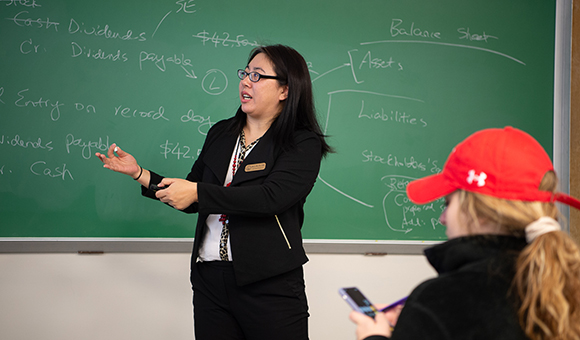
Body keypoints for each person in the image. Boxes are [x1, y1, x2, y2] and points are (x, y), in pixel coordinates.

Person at [96, 44, 331, 340]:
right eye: (245, 73)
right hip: (210, 281)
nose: (245, 81)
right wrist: (141, 175)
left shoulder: (301, 143)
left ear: (285, 90)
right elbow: (191, 194)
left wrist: (197, 192)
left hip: (269, 284)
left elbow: (271, 198)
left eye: (257, 76)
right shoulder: (221, 133)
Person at [349, 126, 580, 340]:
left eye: (447, 204)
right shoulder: (567, 285)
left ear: (481, 213)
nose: (442, 218)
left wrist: (377, 336)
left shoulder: (440, 301)